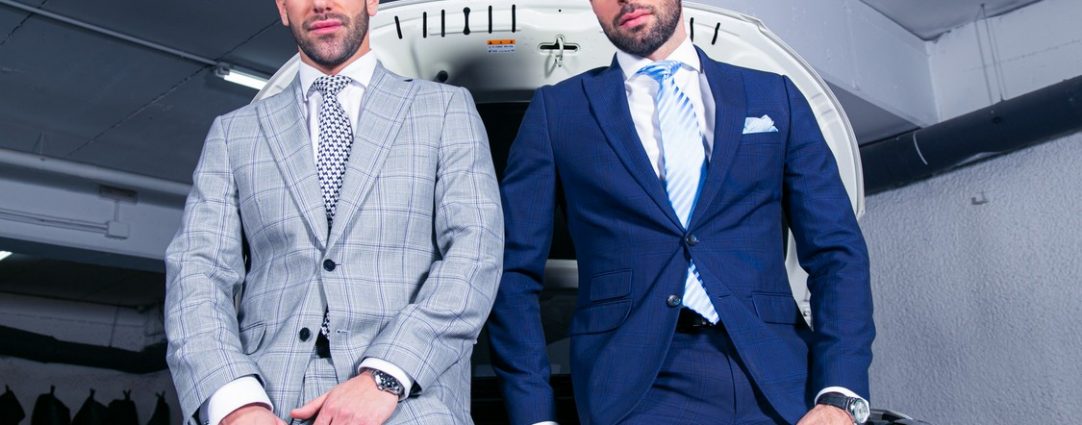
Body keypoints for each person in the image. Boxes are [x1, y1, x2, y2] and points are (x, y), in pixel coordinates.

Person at [487, 0, 875, 424]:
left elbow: (836, 251)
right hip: (637, 389)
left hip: (783, 379)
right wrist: (535, 416)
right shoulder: (558, 112)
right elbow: (512, 272)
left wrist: (840, 393)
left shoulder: (774, 95)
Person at [164, 0, 503, 423]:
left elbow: (475, 252)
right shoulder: (234, 133)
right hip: (268, 400)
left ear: (372, 1)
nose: (321, 3)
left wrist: (386, 376)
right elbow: (197, 271)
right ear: (282, 8)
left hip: (410, 398)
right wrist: (235, 403)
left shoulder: (444, 108)